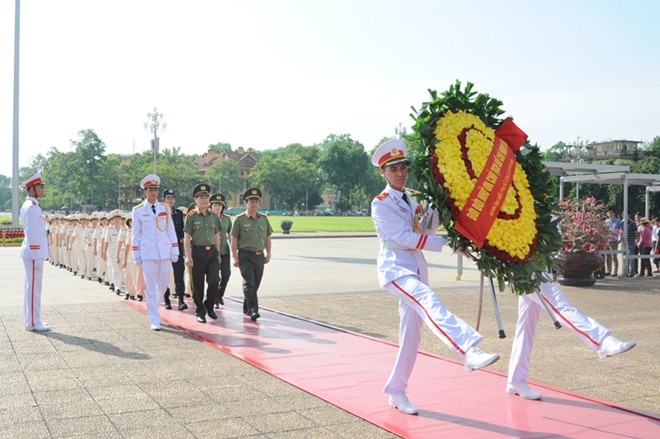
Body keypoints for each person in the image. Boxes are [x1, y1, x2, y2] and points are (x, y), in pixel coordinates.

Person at [370, 138, 499, 416]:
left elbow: (427, 227)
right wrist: (449, 245)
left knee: (411, 335)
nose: (400, 173)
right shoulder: (380, 203)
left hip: (416, 267)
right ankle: (467, 349)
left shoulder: (415, 195)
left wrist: (443, 203)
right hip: (395, 268)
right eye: (393, 169)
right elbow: (404, 237)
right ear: (382, 173)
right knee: (428, 300)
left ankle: (396, 389)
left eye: (403, 167)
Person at [507, 280, 636, 400]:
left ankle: (516, 379)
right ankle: (602, 340)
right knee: (560, 306)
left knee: (526, 326)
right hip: (528, 268)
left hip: (529, 263)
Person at [131, 174, 180, 331]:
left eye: (156, 189)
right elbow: (135, 234)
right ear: (145, 191)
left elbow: (170, 230)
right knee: (151, 286)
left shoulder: (164, 208)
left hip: (164, 251)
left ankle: (153, 306)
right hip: (148, 253)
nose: (154, 192)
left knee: (164, 284)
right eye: (150, 189)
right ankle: (154, 317)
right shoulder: (138, 211)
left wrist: (174, 249)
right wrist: (136, 254)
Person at [231, 188, 272, 322]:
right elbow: (234, 239)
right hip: (245, 255)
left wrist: (269, 253)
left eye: (256, 201)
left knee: (256, 283)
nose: (254, 204)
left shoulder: (264, 219)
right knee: (249, 283)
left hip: (259, 255)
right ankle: (253, 309)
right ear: (245, 203)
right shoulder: (239, 220)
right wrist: (235, 257)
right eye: (251, 201)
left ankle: (246, 305)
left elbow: (267, 237)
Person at [183, 183, 221, 324]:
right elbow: (187, 237)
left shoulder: (214, 216)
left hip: (211, 252)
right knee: (197, 285)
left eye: (206, 196)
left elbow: (217, 235)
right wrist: (188, 256)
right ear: (195, 199)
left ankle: (209, 306)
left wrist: (217, 252)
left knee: (214, 281)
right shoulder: (191, 216)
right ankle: (200, 311)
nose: (204, 199)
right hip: (197, 252)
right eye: (201, 197)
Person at [20, 171, 51, 332]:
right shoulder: (32, 208)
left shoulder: (31, 205)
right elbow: (32, 233)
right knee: (34, 288)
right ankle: (34, 322)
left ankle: (31, 320)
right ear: (32, 188)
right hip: (34, 253)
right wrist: (36, 255)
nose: (42, 189)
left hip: (33, 252)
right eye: (40, 186)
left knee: (31, 287)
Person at [162, 188, 188, 311]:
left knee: (179, 272)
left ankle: (181, 300)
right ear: (163, 200)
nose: (170, 200)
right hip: (163, 247)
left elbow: (182, 234)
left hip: (177, 246)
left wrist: (183, 249)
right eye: (168, 198)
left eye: (172, 198)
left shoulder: (178, 214)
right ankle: (166, 299)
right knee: (164, 274)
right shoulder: (160, 214)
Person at [210, 193, 232, 308]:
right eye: (215, 205)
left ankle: (219, 295)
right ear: (211, 206)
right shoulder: (208, 218)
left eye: (220, 205)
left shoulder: (227, 219)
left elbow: (230, 234)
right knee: (215, 277)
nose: (217, 207)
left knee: (226, 274)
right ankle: (214, 297)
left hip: (224, 251)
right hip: (212, 252)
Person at [604, 208, 622, 277]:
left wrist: (619, 238)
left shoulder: (618, 221)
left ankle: (615, 271)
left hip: (614, 241)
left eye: (611, 212)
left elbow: (621, 231)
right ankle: (608, 270)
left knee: (614, 256)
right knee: (607, 257)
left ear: (614, 213)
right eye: (608, 213)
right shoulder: (606, 221)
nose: (610, 214)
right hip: (607, 241)